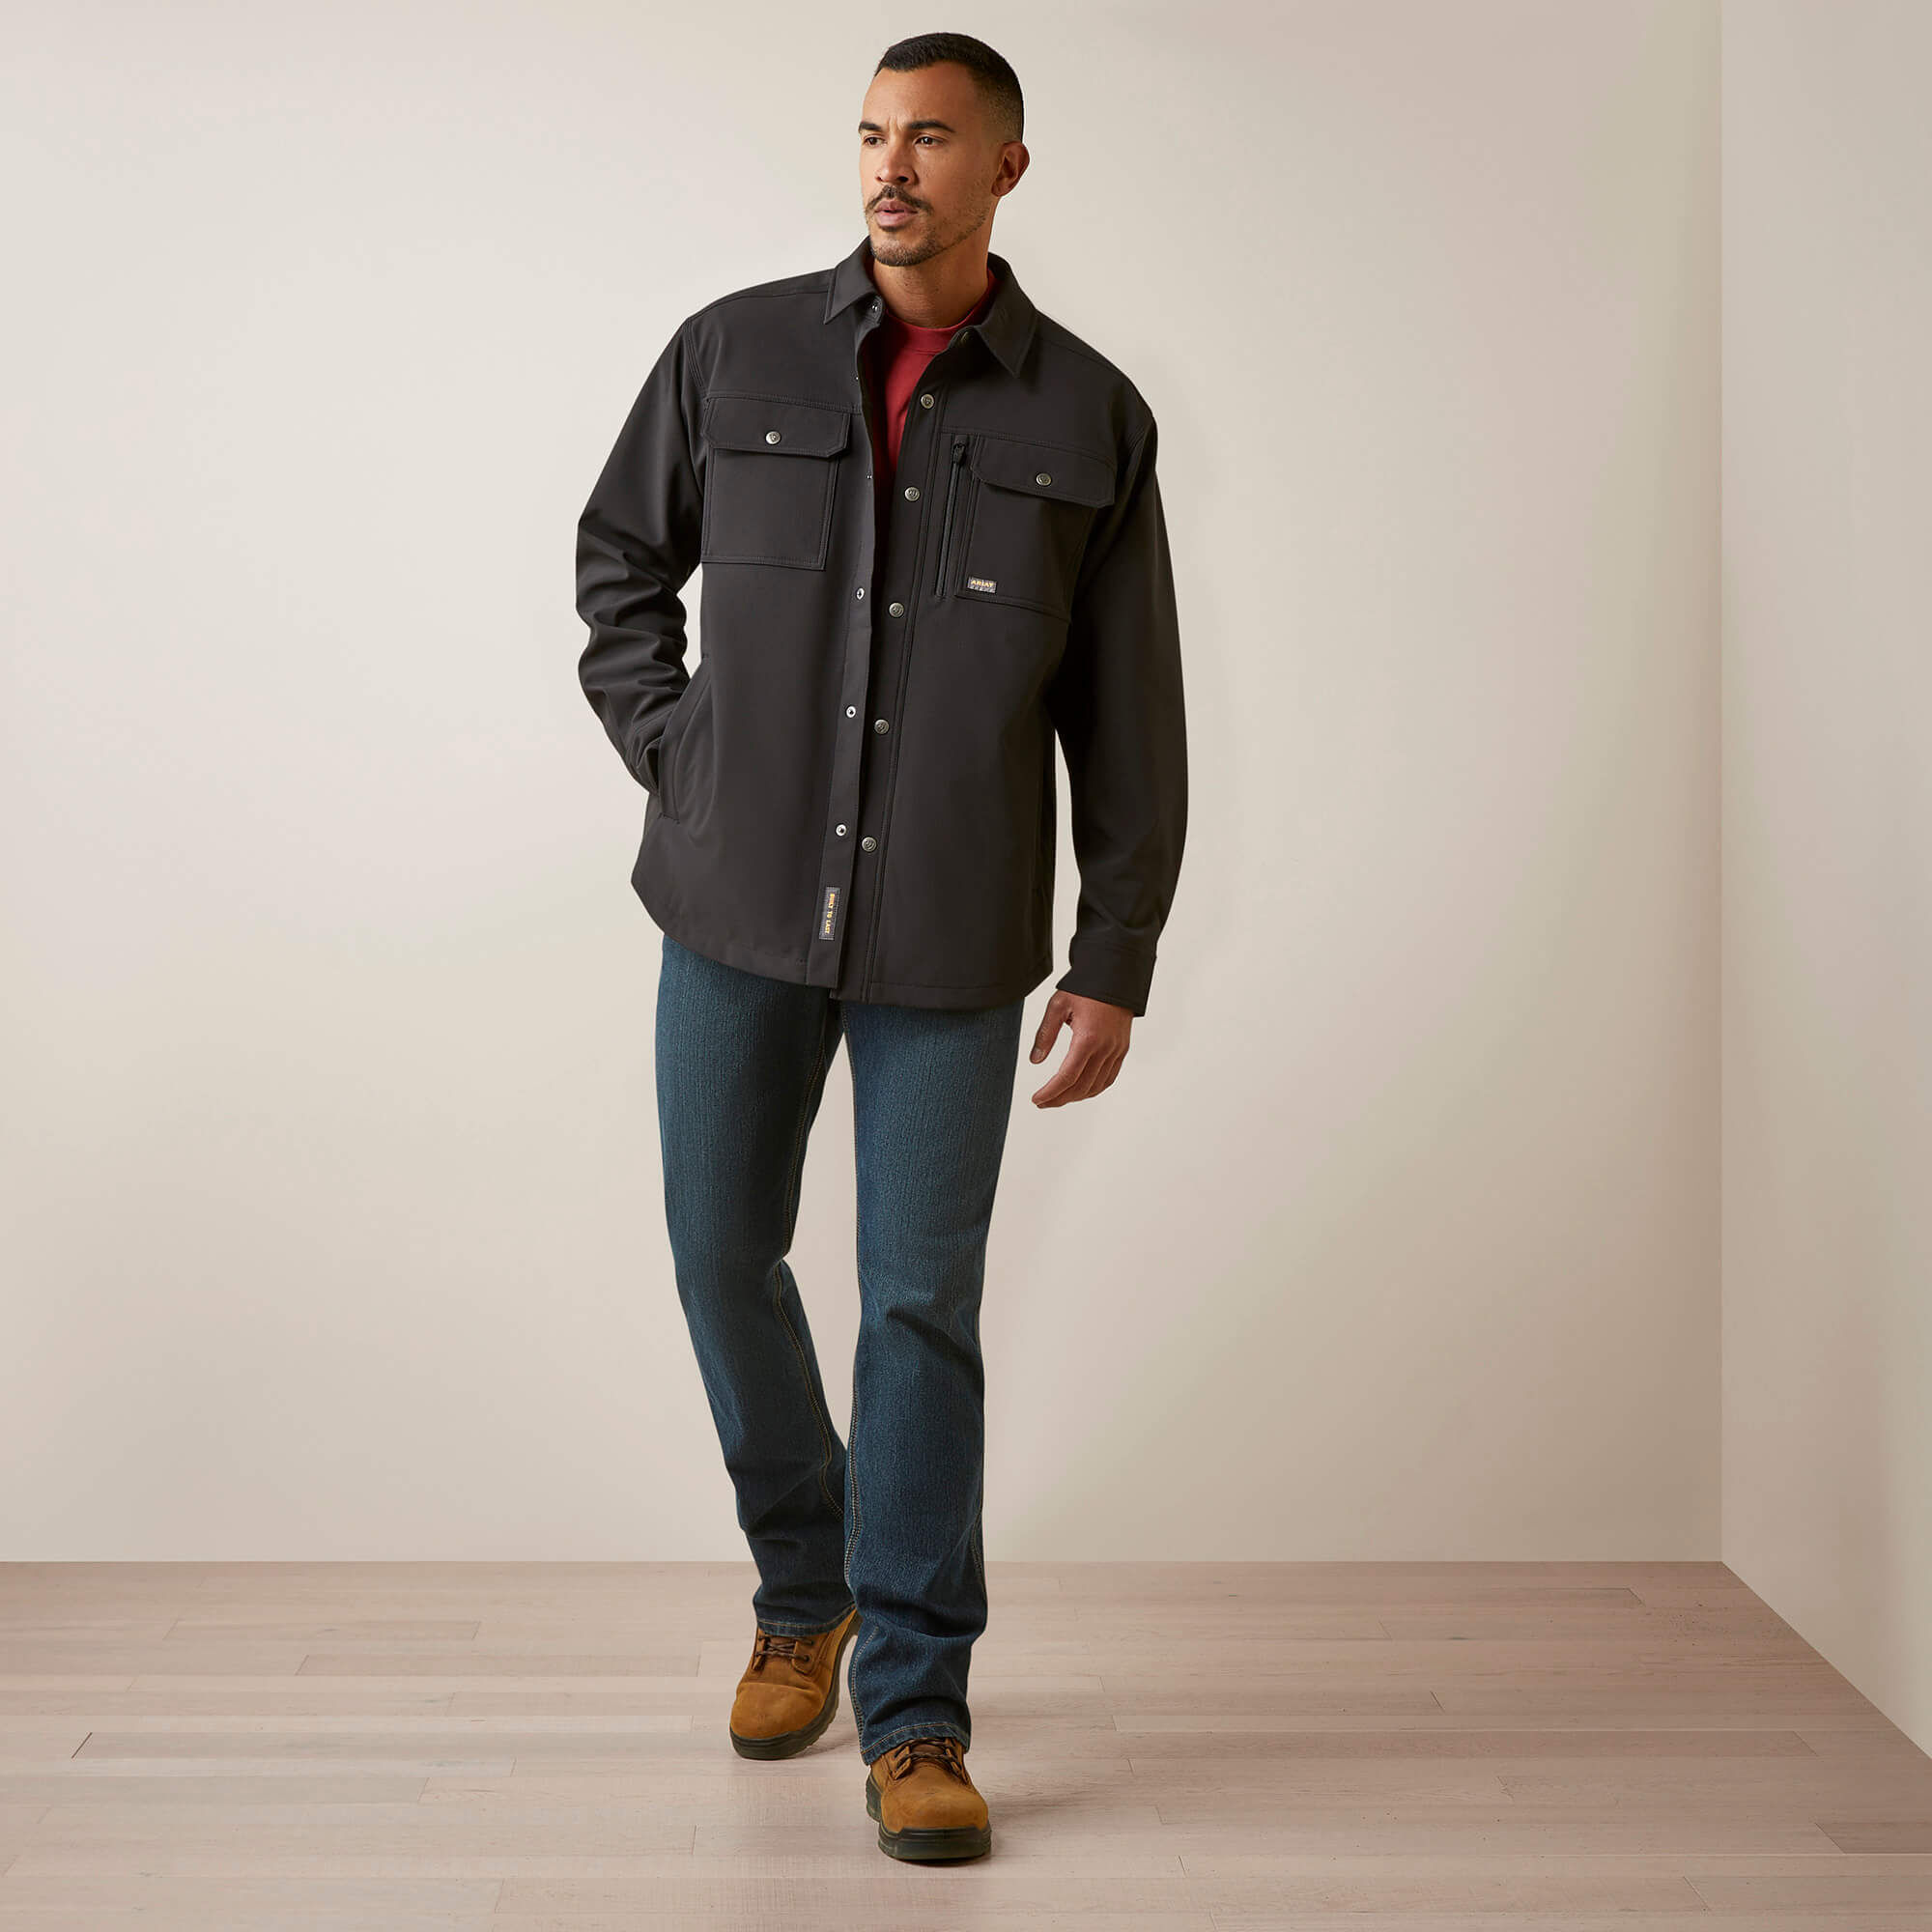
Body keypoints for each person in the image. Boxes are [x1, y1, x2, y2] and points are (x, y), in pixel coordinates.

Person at [574, 30, 1187, 1863]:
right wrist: (683, 755)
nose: (890, 166)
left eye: (929, 136)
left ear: (1007, 167)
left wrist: (1118, 950)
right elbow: (619, 568)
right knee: (717, 1252)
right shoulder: (734, 350)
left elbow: (1132, 714)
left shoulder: (1089, 414)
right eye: (870, 134)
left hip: (950, 933)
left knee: (919, 1309)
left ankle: (917, 1712)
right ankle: (807, 1590)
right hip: (736, 905)